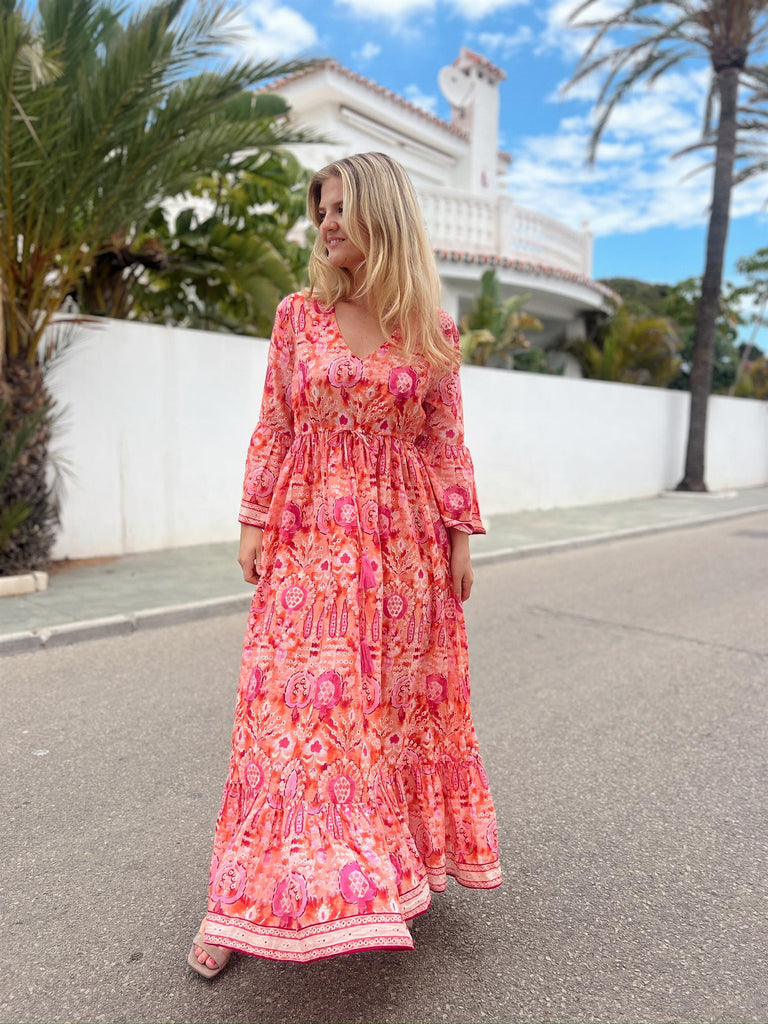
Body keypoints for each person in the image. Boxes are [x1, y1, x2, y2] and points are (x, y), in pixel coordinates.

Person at [188, 151, 501, 975]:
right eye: (320, 211)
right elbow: (275, 423)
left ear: (381, 215)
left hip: (404, 555)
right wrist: (253, 521)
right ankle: (237, 908)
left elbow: (444, 440)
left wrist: (459, 538)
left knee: (388, 719)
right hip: (310, 539)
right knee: (286, 718)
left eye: (339, 209)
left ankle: (381, 879)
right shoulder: (298, 316)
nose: (326, 224)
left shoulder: (433, 330)